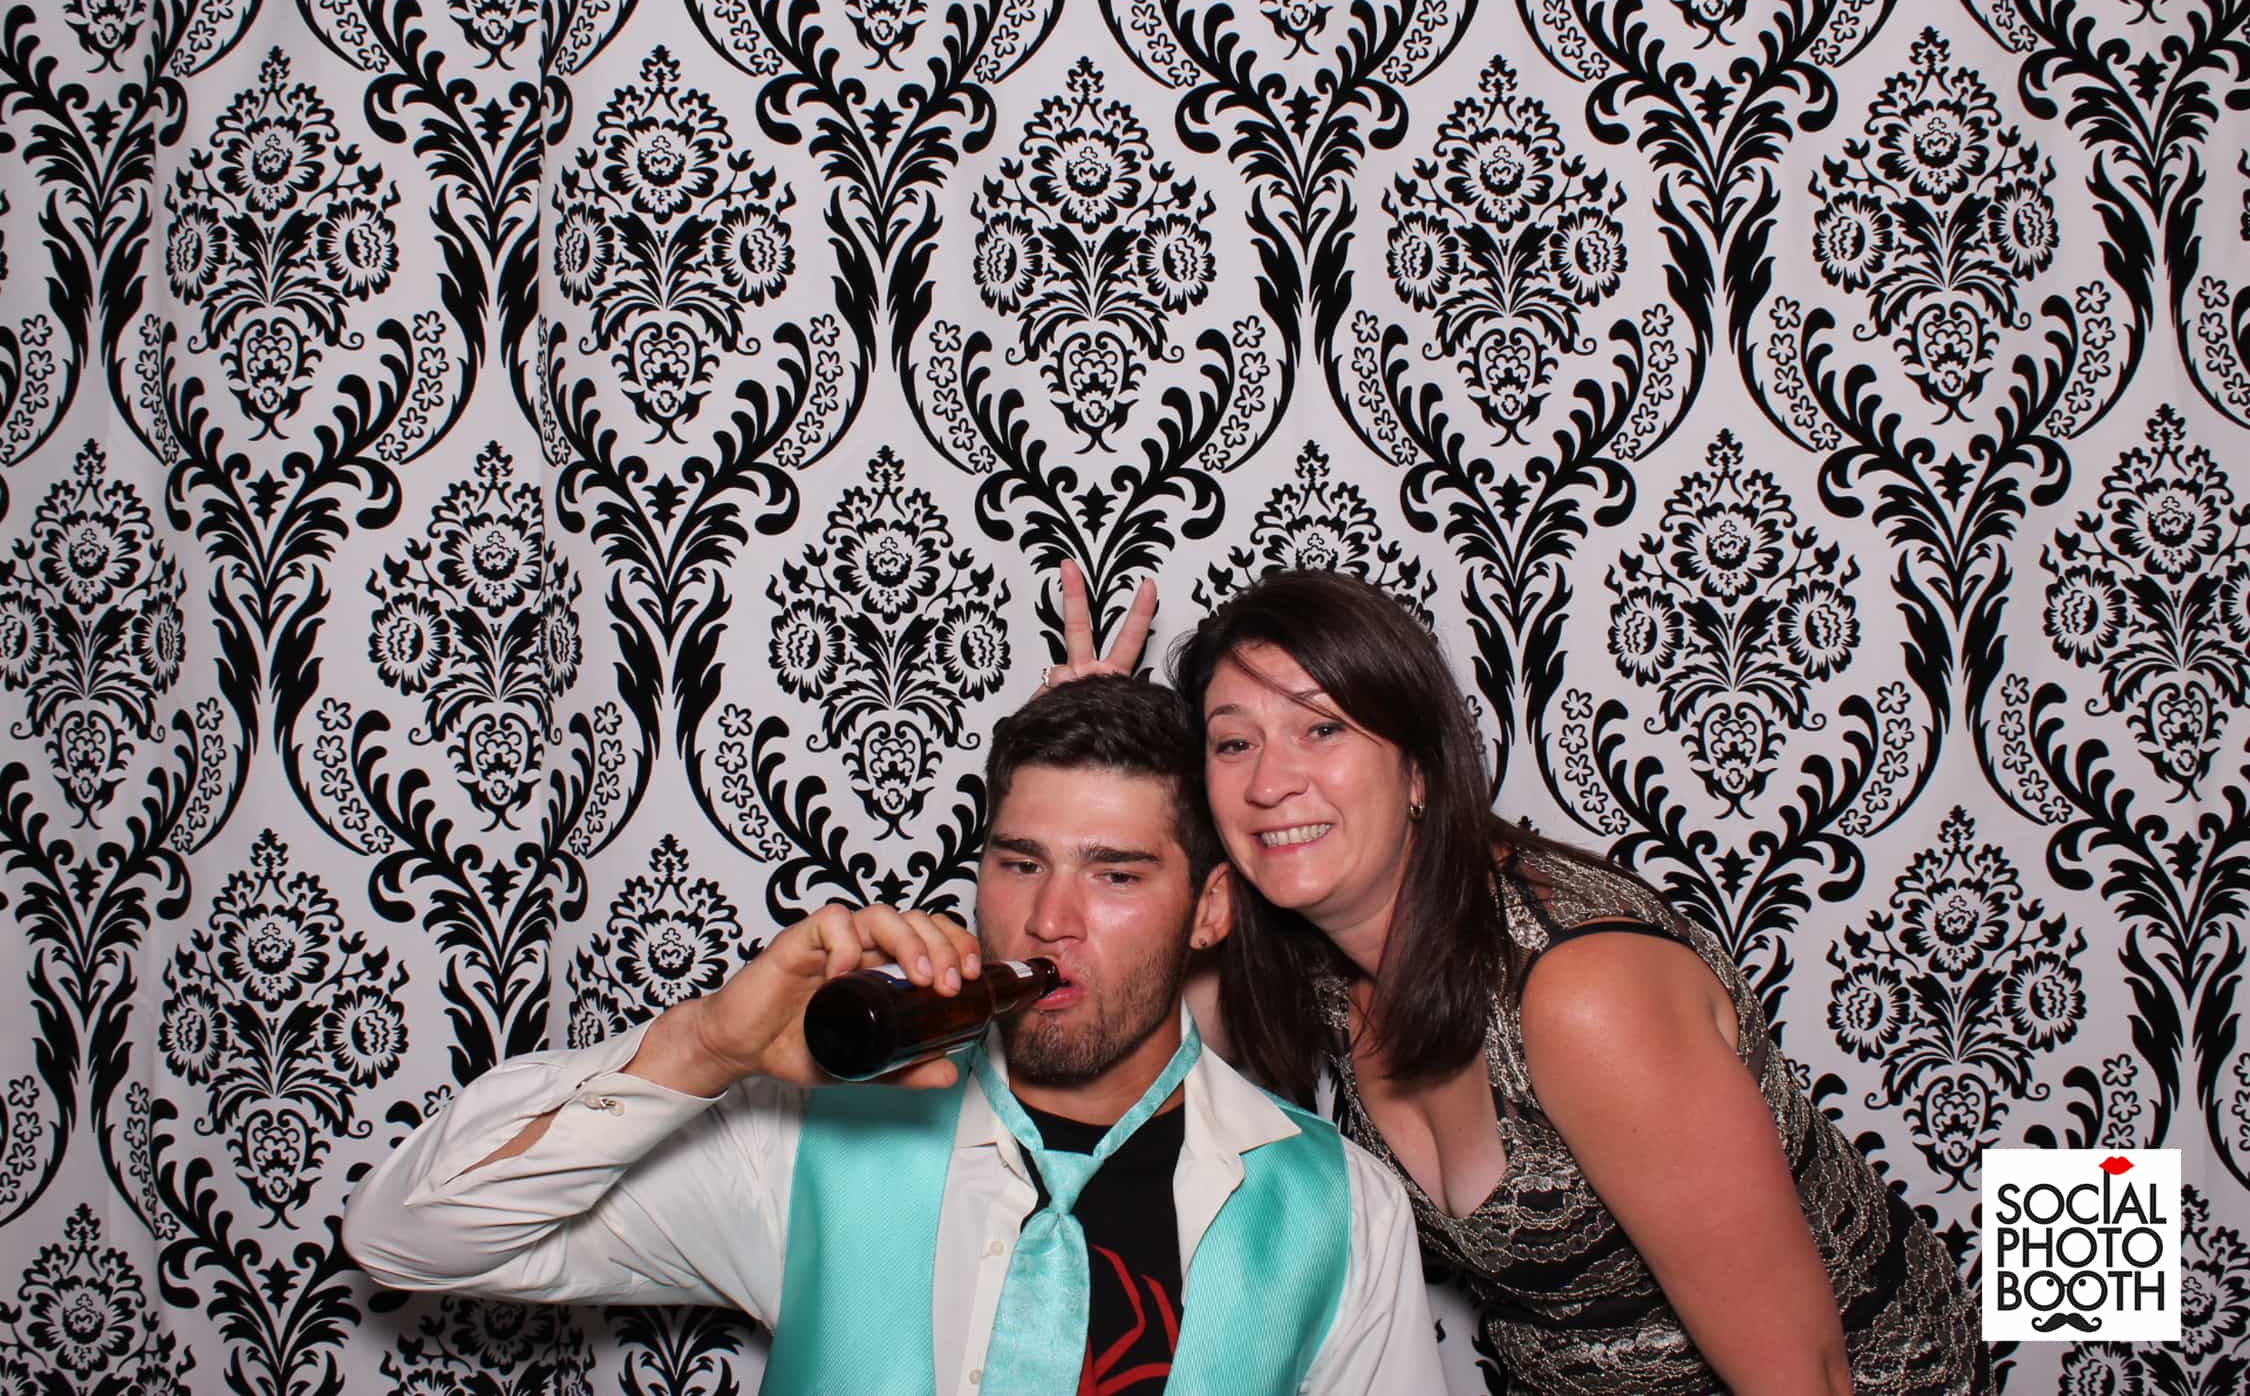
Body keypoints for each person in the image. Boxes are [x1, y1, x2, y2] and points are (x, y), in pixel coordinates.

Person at [344, 673, 1443, 1396]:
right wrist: (703, 1047)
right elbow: (408, 1236)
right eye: (1019, 863)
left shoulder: (1338, 1209)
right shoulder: (807, 1145)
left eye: (1115, 875)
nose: (1050, 921)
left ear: (1208, 910)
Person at [1049, 563, 1988, 1396]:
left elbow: (1804, 1380)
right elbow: (1103, 1039)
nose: (1270, 783)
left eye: (1322, 728)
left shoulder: (1582, 994)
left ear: (1417, 768)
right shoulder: (1312, 954)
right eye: (1233, 743)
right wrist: (1094, 773)